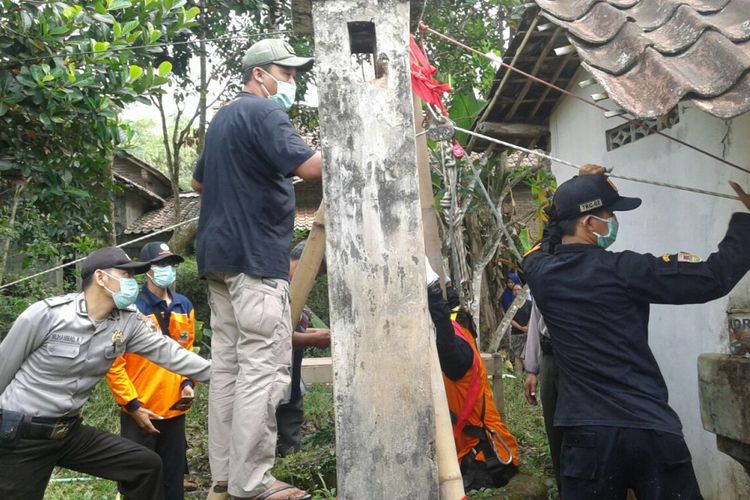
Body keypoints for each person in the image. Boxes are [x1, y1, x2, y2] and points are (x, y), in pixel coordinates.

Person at [522, 166, 750, 499]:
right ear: (588, 223)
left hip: (586, 435)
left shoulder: (540, 273)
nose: (614, 219)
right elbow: (712, 277)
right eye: (608, 213)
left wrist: (576, 189)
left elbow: (546, 242)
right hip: (650, 428)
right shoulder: (626, 270)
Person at [192, 37, 322, 500]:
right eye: (286, 73)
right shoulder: (266, 112)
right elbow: (311, 168)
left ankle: (226, 476)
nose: (291, 82)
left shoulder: (223, 118)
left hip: (219, 259)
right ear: (260, 74)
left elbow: (199, 181)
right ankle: (253, 482)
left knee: (227, 368)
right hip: (256, 260)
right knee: (262, 371)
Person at [0, 247, 211, 500]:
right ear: (100, 278)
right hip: (22, 436)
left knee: (145, 465)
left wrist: (228, 376)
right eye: (126, 275)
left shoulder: (128, 323)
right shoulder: (46, 315)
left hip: (68, 433)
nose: (133, 283)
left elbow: (172, 354)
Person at [106, 242, 195, 500]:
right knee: (139, 482)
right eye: (161, 264)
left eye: (171, 264)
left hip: (174, 409)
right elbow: (114, 363)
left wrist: (186, 383)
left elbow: (186, 352)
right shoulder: (130, 308)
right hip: (140, 411)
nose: (167, 269)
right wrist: (132, 405)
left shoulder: (184, 305)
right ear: (147, 270)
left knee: (173, 480)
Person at [425, 262, 520, 491]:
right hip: (486, 450)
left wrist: (430, 288)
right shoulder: (464, 334)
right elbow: (452, 307)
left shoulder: (454, 356)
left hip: (483, 460)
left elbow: (442, 325)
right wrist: (443, 282)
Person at [276, 241, 331, 457]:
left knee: (292, 433)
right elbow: (273, 337)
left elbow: (289, 329)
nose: (314, 281)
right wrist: (312, 340)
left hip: (292, 378)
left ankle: (292, 472)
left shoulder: (296, 289)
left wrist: (314, 335)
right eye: (316, 275)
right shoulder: (276, 288)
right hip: (273, 378)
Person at [522, 303, 560, 488]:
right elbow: (535, 320)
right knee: (554, 429)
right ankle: (563, 487)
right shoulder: (542, 275)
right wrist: (531, 370)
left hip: (580, 356)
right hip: (550, 357)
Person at [508, 283, 531, 372]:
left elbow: (532, 317)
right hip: (516, 334)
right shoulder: (511, 305)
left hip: (528, 334)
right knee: (517, 357)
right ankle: (518, 380)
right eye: (514, 290)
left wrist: (528, 327)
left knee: (526, 356)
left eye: (518, 289)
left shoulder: (529, 303)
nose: (517, 291)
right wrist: (521, 328)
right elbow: (510, 319)